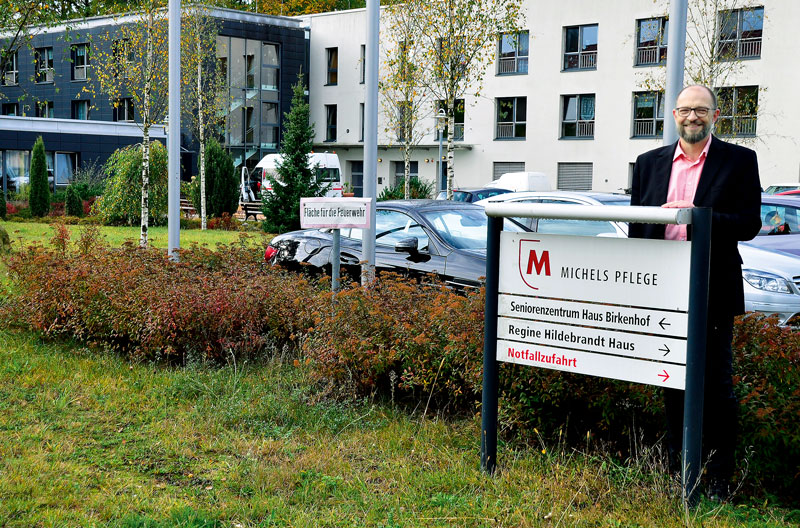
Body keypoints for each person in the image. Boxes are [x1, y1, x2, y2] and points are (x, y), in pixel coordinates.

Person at [629, 85, 762, 500]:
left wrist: (693, 217)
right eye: (686, 110)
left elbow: (748, 223)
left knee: (717, 386)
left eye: (701, 110)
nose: (693, 117)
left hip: (712, 288)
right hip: (661, 287)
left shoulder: (739, 160)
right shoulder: (648, 163)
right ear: (673, 115)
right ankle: (678, 471)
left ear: (715, 115)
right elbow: (636, 226)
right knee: (670, 380)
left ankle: (719, 479)